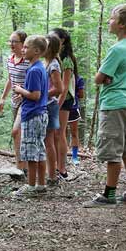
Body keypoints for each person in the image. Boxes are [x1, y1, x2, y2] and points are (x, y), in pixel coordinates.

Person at [85, 4, 126, 207]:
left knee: (112, 150)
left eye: (112, 18)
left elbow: (99, 78)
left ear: (121, 24)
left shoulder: (117, 49)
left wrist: (103, 77)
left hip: (114, 105)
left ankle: (109, 194)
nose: (108, 21)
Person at [11, 35, 49, 197]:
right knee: (39, 150)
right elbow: (35, 93)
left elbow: (35, 95)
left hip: (32, 115)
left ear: (37, 51)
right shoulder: (39, 67)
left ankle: (31, 186)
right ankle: (41, 184)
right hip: (40, 114)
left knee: (31, 152)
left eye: (26, 47)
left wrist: (19, 90)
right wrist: (23, 95)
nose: (23, 50)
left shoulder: (34, 70)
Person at [0, 30, 30, 178]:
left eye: (15, 41)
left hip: (28, 102)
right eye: (10, 41)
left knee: (16, 132)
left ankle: (22, 166)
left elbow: (37, 81)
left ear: (23, 44)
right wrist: (3, 98)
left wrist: (24, 92)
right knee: (18, 135)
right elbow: (10, 79)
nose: (11, 44)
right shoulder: (10, 59)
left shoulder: (29, 61)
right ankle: (21, 166)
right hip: (14, 101)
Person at [52, 27, 78, 179]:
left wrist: (58, 104)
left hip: (64, 101)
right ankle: (55, 166)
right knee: (54, 134)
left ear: (62, 40)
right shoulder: (55, 58)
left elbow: (65, 85)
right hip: (55, 100)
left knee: (60, 133)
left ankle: (62, 169)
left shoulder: (66, 59)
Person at [43, 33, 64, 185]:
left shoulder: (54, 65)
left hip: (50, 106)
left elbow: (59, 88)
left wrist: (41, 96)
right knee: (46, 140)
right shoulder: (47, 63)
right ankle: (50, 173)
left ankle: (52, 176)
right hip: (46, 105)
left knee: (48, 140)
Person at [68, 75, 86, 166]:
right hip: (70, 107)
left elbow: (81, 94)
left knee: (71, 133)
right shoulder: (78, 78)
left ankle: (74, 157)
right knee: (73, 133)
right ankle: (72, 157)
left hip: (71, 107)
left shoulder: (78, 78)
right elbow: (81, 94)